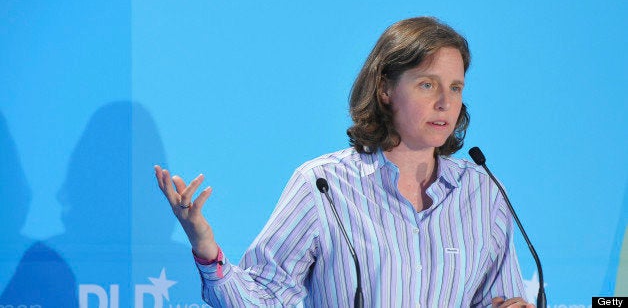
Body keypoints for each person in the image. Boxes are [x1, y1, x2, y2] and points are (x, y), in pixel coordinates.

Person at [155, 16, 534, 307]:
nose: (445, 103)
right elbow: (265, 297)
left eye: (455, 87)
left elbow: (499, 299)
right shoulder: (324, 184)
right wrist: (206, 248)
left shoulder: (482, 192)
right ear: (385, 88)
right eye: (427, 84)